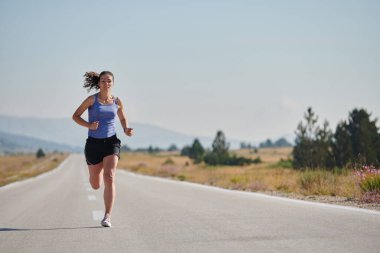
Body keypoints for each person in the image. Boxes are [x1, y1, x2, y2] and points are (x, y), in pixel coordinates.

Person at [72, 71, 133, 227]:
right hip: (93, 144)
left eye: (109, 81)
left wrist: (126, 129)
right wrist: (89, 125)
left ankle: (107, 216)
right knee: (96, 184)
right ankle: (95, 173)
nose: (107, 83)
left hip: (111, 142)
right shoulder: (92, 100)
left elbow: (122, 117)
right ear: (99, 83)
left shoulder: (117, 102)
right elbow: (76, 116)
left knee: (110, 176)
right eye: (104, 80)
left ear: (113, 83)